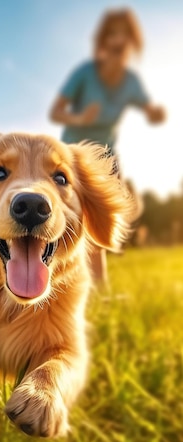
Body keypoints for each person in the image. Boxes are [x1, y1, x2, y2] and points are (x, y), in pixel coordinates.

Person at [49, 8, 165, 283]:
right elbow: (55, 112)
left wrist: (154, 113)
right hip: (72, 159)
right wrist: (80, 117)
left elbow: (149, 108)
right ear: (103, 40)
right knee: (63, 226)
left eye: (124, 34)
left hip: (105, 159)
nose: (118, 40)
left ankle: (101, 297)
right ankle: (50, 288)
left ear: (131, 41)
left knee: (99, 230)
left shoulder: (131, 82)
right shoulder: (85, 74)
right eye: (112, 33)